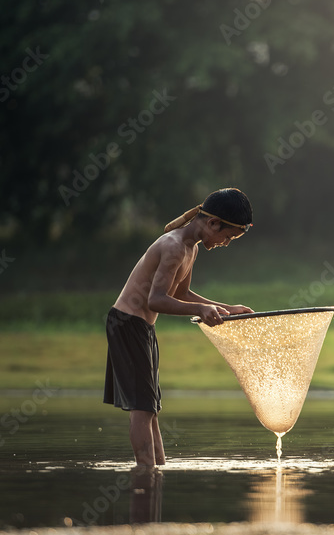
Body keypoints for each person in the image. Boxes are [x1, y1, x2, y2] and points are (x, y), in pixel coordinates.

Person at [104, 188, 254, 466]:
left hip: (143, 327)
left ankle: (157, 470)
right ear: (212, 223)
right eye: (228, 236)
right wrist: (201, 310)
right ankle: (146, 474)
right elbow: (157, 299)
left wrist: (227, 308)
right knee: (142, 407)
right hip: (127, 324)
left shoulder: (191, 248)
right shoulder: (173, 246)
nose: (226, 242)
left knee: (151, 407)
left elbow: (182, 294)